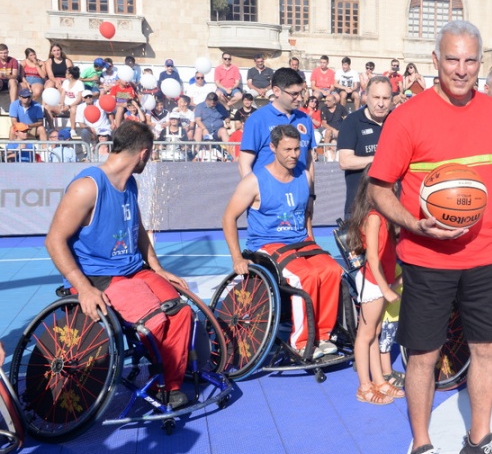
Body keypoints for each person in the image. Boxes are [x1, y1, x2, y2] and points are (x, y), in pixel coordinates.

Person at [369, 20, 492, 454]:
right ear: (436, 61)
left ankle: (478, 439)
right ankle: (420, 448)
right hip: (426, 256)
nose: (461, 69)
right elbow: (379, 188)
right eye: (452, 59)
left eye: (470, 60)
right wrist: (415, 224)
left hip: (483, 254)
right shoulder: (408, 116)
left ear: (481, 63)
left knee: (487, 349)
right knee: (423, 356)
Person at [43, 121, 192, 408]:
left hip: (133, 269)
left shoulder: (129, 184)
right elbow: (54, 240)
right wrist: (83, 288)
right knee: (154, 321)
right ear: (144, 154)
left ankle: (168, 385)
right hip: (98, 275)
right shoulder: (88, 187)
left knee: (181, 311)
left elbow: (137, 230)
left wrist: (157, 268)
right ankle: (165, 379)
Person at [223, 124, 343, 358]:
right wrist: (237, 257)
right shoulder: (254, 181)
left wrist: (312, 241)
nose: (294, 155)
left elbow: (306, 213)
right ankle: (301, 341)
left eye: (297, 149)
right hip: (268, 244)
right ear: (273, 147)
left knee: (331, 269)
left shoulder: (304, 175)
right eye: (287, 149)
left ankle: (323, 335)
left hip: (300, 240)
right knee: (304, 275)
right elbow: (228, 217)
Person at [345, 166, 404, 404]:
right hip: (372, 282)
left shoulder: (383, 216)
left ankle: (378, 380)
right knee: (365, 334)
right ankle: (364, 386)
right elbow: (372, 258)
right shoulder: (373, 217)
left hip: (380, 280)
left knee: (375, 332)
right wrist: (386, 288)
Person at [239, 67, 316, 178]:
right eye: (294, 94)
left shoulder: (305, 119)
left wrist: (311, 193)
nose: (300, 98)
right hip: (267, 193)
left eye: (302, 93)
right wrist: (255, 193)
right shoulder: (257, 119)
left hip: (300, 192)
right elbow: (244, 164)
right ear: (276, 91)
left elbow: (309, 161)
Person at [337, 75, 392, 217]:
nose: (381, 103)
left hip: (392, 208)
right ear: (365, 97)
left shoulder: (397, 121)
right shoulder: (352, 122)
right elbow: (345, 161)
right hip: (359, 208)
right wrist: (380, 159)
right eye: (376, 97)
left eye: (385, 98)